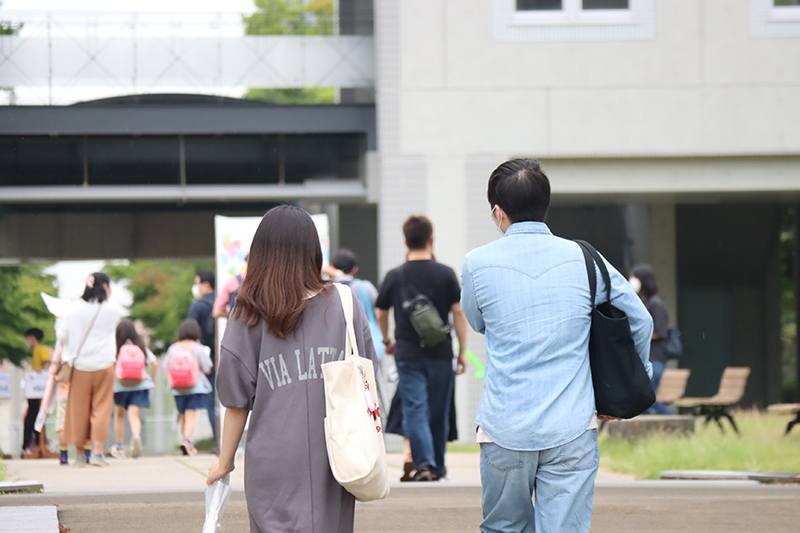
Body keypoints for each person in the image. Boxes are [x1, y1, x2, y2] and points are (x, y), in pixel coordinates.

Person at [460, 159, 653, 533]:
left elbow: (479, 323)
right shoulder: (585, 259)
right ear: (545, 207)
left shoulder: (476, 263)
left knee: (504, 528)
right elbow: (641, 320)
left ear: (498, 212)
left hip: (505, 427)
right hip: (571, 427)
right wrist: (633, 381)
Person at [207, 205, 378, 533]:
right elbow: (366, 370)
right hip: (337, 455)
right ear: (313, 251)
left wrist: (226, 460)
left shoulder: (248, 310)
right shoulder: (344, 302)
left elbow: (235, 397)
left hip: (272, 459)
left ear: (261, 253)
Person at [375, 215, 468, 482]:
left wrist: (387, 341)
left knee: (415, 408)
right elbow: (458, 313)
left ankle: (424, 465)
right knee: (439, 410)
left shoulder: (395, 276)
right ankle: (437, 467)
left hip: (407, 354)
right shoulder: (446, 273)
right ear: (431, 239)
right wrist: (461, 351)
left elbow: (381, 311)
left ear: (405, 241)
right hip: (441, 353)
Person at [58, 272, 122, 467]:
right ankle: (98, 453)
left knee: (78, 409)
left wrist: (59, 323)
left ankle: (79, 456)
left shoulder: (73, 310)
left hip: (80, 367)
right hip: (105, 365)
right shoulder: (113, 311)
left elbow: (62, 338)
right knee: (102, 409)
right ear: (105, 286)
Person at [109, 320, 158, 459]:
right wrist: (152, 382)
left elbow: (111, 365)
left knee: (119, 416)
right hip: (140, 385)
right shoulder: (140, 346)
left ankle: (119, 447)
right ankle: (136, 436)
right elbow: (154, 363)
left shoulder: (116, 347)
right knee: (134, 416)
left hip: (120, 386)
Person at [163, 319, 213, 456]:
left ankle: (184, 440)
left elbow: (166, 366)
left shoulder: (173, 348)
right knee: (191, 415)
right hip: (194, 386)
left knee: (182, 415)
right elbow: (207, 368)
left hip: (177, 388)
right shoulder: (198, 348)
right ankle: (188, 441)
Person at [630, 264, 673, 415]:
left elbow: (660, 332)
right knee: (642, 400)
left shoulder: (655, 303)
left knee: (645, 399)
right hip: (646, 359)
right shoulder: (642, 302)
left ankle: (674, 421)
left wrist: (638, 334)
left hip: (655, 359)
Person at [187, 269, 217, 448]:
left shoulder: (198, 306)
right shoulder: (223, 302)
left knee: (212, 400)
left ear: (206, 285)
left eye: (197, 283)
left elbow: (189, 334)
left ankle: (217, 441)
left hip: (206, 359)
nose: (196, 287)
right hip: (225, 355)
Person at [22, 327, 50, 453]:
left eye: (27, 338)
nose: (26, 341)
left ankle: (33, 445)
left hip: (38, 390)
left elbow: (47, 363)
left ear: (33, 338)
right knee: (32, 417)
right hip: (34, 389)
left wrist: (43, 370)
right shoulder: (35, 351)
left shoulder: (41, 349)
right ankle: (36, 444)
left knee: (33, 417)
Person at [212, 254, 248, 320]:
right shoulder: (267, 282)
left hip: (238, 327)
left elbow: (217, 312)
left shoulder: (232, 282)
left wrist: (235, 315)